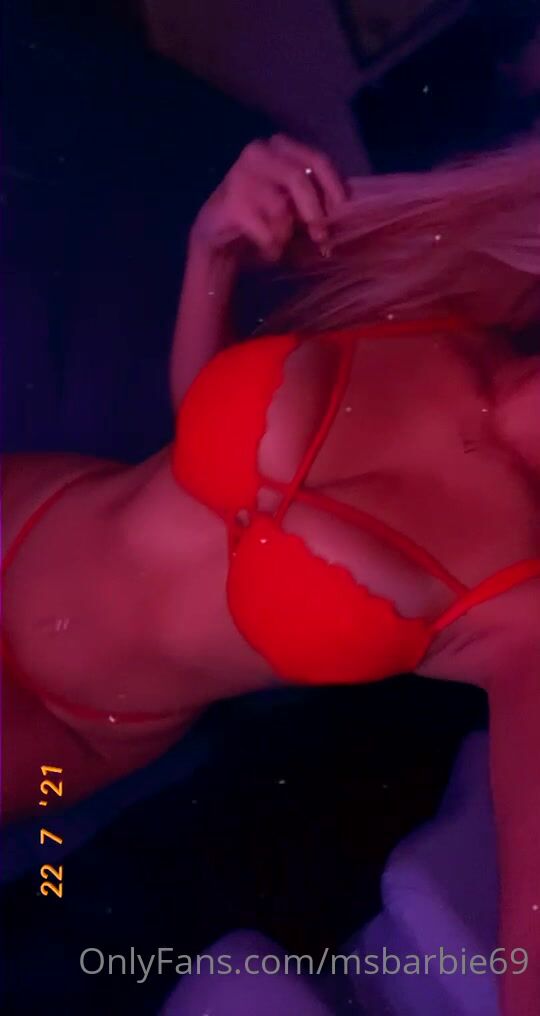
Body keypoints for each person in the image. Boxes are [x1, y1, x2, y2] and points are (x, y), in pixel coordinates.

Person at [2, 135, 539, 1014]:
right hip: (31, 505)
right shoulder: (465, 289)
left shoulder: (521, 620)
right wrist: (210, 253)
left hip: (56, 719)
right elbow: (211, 459)